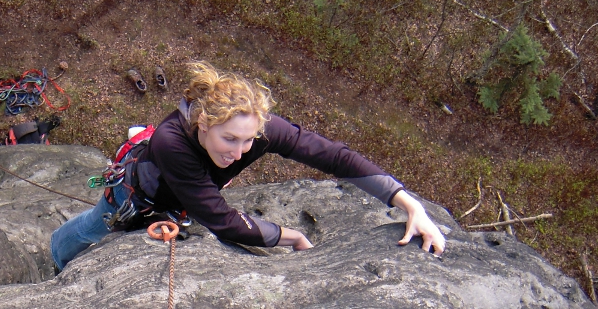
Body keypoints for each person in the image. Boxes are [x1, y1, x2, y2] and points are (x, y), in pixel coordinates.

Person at [50, 62, 446, 270]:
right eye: (229, 139)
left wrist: (407, 203)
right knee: (95, 225)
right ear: (203, 124)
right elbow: (220, 218)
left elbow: (334, 156)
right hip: (137, 194)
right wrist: (290, 236)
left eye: (248, 140)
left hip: (183, 197)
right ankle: (55, 256)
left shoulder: (261, 130)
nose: (240, 152)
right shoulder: (171, 142)